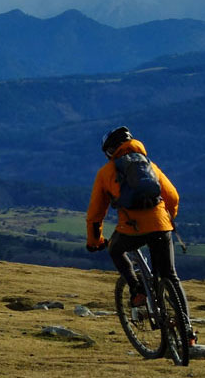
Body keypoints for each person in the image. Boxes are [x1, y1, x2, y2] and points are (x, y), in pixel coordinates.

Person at [85, 126, 185, 310]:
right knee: (170, 276)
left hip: (132, 229)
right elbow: (173, 197)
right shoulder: (150, 165)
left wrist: (95, 241)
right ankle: (185, 325)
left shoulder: (106, 173)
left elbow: (95, 214)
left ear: (110, 151)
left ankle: (137, 289)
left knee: (115, 249)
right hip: (161, 225)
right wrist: (167, 217)